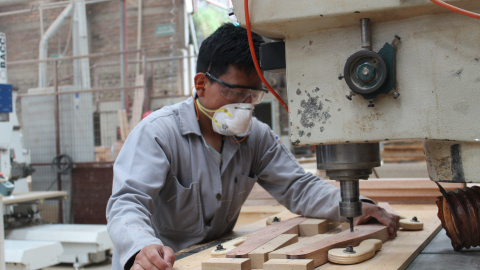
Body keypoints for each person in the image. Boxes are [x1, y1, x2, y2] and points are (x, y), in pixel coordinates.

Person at [106, 23, 400, 270]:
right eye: (235, 92)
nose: (245, 105)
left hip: (215, 259)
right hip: (161, 264)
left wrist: (354, 207)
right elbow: (127, 202)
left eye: (253, 95)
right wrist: (142, 246)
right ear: (201, 84)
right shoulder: (159, 133)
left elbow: (298, 187)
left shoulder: (256, 137)